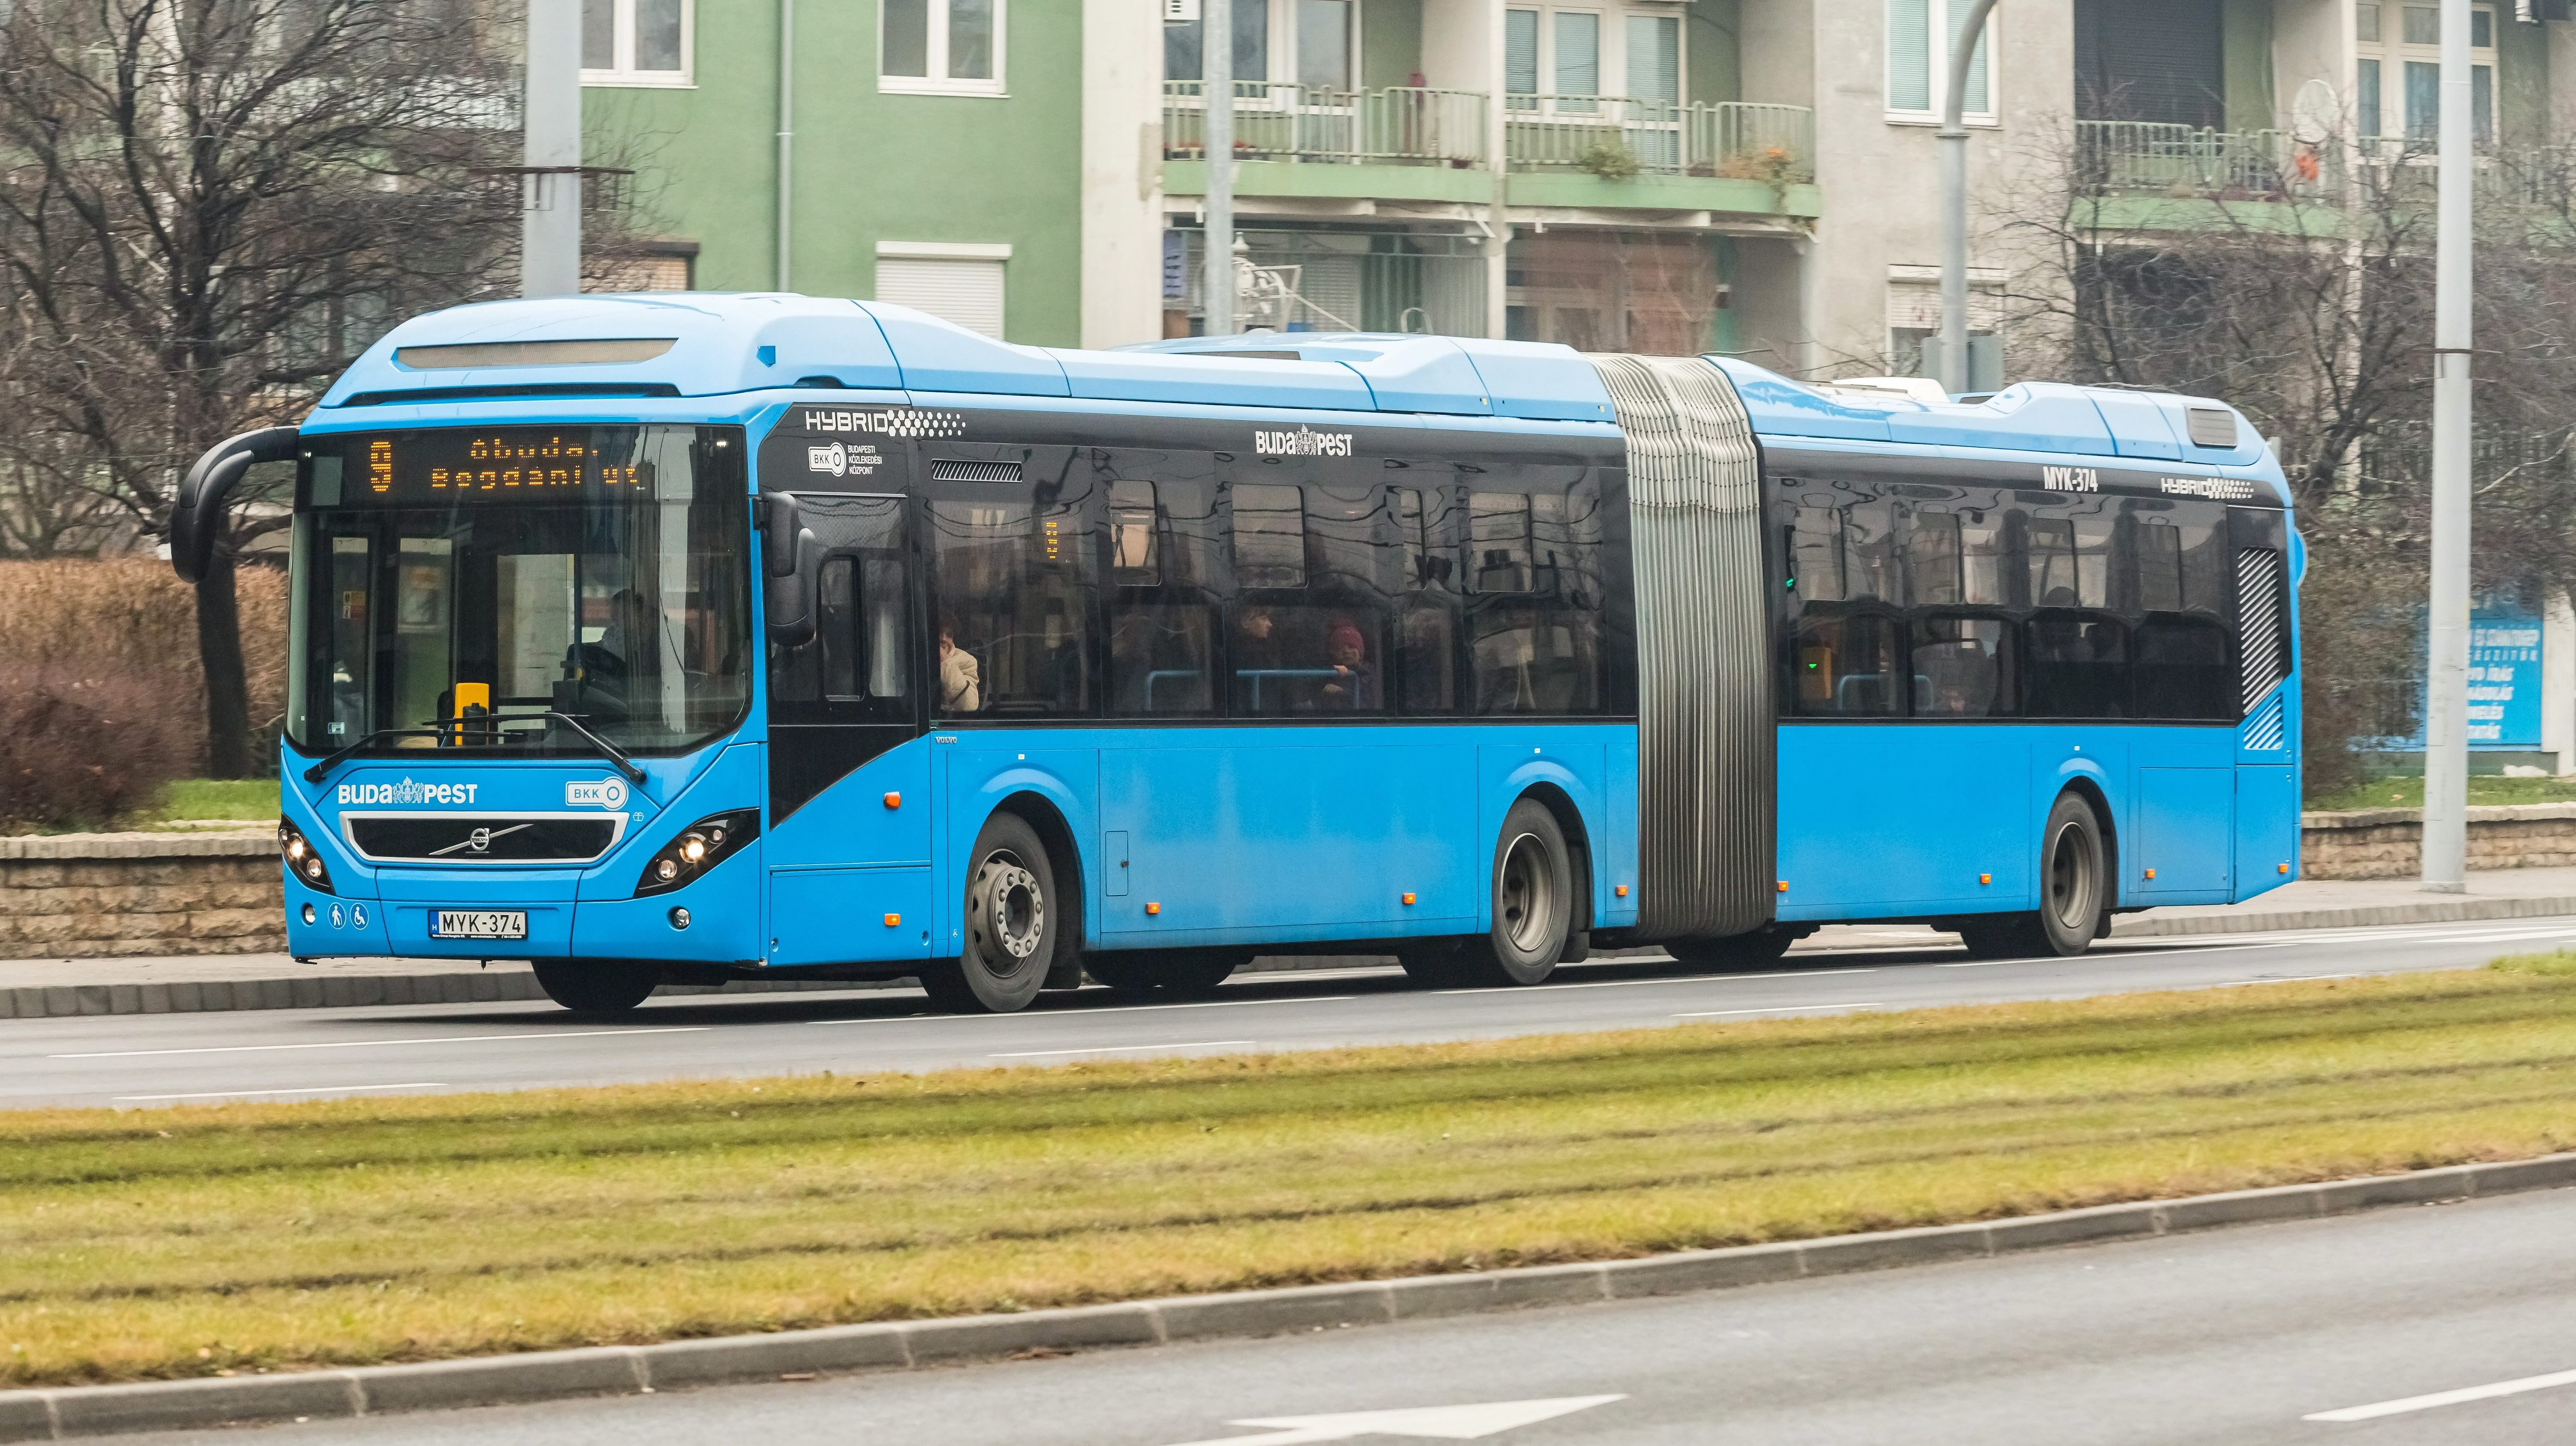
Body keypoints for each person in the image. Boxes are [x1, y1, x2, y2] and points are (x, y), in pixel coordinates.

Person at [1316, 620, 1377, 711]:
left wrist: (1342, 693)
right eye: (1340, 649)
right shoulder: (1329, 673)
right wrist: (1332, 670)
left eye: (1351, 647)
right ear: (1334, 654)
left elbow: (1368, 707)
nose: (1346, 651)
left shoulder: (1371, 676)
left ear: (1360, 652)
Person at [938, 623, 981, 714]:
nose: (944, 639)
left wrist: (946, 662)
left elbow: (970, 706)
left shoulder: (968, 660)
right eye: (939, 633)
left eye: (949, 635)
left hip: (951, 721)